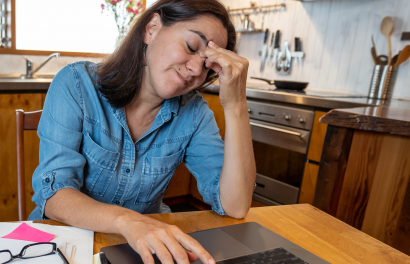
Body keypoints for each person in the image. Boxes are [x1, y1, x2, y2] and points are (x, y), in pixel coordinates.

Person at [29, 0, 256, 263]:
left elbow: (235, 206)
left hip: (138, 250)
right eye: (191, 47)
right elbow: (55, 195)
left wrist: (237, 104)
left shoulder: (194, 114)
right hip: (62, 243)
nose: (196, 69)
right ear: (152, 28)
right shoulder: (76, 85)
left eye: (207, 66)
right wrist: (130, 222)